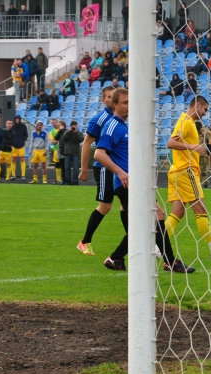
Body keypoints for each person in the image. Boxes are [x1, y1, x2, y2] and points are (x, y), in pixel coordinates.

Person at [95, 88, 193, 273]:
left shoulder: (124, 125)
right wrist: (121, 173)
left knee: (148, 222)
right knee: (154, 217)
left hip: (135, 183)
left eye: (130, 101)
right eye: (125, 102)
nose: (129, 105)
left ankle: (118, 258)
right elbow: (99, 154)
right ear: (114, 105)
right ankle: (169, 262)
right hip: (126, 184)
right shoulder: (112, 126)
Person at [165, 96, 211, 260]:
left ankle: (158, 246)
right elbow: (170, 143)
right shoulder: (186, 121)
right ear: (198, 105)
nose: (205, 113)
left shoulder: (187, 122)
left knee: (178, 212)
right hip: (186, 171)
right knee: (201, 210)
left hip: (177, 172)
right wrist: (192, 146)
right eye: (205, 109)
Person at [77, 87, 119, 255]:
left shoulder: (119, 118)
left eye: (113, 96)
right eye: (108, 97)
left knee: (126, 204)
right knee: (105, 206)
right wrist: (84, 169)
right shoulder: (100, 119)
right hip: (104, 168)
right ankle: (84, 241)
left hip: (118, 167)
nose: (111, 99)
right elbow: (87, 143)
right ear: (103, 100)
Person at [60, 121, 84, 185]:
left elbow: (81, 139)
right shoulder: (66, 132)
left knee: (76, 168)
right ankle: (68, 182)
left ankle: (75, 182)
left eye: (75, 126)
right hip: (67, 152)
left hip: (75, 152)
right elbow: (63, 139)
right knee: (67, 168)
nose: (74, 127)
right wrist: (69, 131)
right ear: (70, 126)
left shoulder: (79, 133)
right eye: (73, 126)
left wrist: (76, 132)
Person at [9, 115, 29, 180]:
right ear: (14, 119)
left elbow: (26, 135)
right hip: (14, 146)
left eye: (18, 119)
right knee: (13, 159)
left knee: (22, 159)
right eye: (16, 119)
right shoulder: (13, 127)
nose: (17, 120)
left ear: (20, 119)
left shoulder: (23, 126)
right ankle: (13, 175)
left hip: (21, 146)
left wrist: (23, 140)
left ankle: (23, 175)